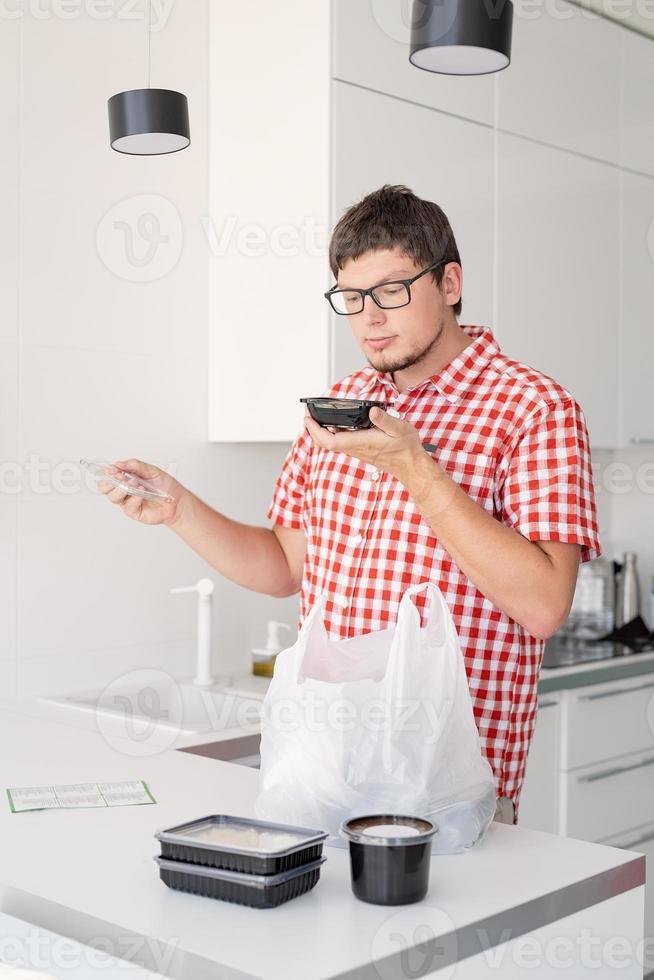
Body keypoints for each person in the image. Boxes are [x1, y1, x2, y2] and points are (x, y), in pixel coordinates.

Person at [99, 184, 600, 825]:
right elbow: (285, 567)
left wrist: (415, 468)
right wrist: (178, 508)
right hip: (319, 769)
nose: (371, 317)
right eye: (353, 298)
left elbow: (542, 606)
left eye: (392, 291)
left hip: (449, 789)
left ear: (449, 283)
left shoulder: (533, 409)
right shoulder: (339, 405)